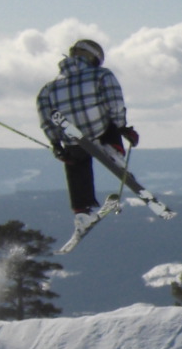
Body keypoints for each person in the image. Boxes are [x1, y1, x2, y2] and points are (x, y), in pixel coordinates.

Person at [36, 39, 140, 240]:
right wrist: (122, 128)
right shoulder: (101, 75)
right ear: (93, 58)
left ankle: (82, 212)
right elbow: (114, 102)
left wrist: (56, 144)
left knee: (76, 162)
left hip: (73, 137)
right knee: (107, 120)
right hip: (100, 131)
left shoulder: (48, 88)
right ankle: (113, 151)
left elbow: (46, 118)